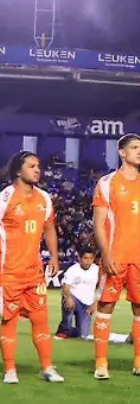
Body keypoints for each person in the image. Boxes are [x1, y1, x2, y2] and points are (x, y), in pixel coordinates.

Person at [92, 134, 140, 379]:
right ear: (122, 152)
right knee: (106, 305)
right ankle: (101, 363)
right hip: (116, 257)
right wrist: (106, 255)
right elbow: (99, 222)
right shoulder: (107, 183)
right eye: (134, 148)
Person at [0, 151, 63, 383]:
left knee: (41, 320)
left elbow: (49, 228)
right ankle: (10, 370)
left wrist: (54, 257)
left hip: (34, 272)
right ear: (18, 171)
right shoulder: (5, 198)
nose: (37, 170)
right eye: (31, 166)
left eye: (38, 166)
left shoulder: (44, 198)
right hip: (8, 273)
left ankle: (47, 367)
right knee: (9, 320)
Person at [57, 248, 99, 339]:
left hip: (87, 304)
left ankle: (67, 329)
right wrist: (68, 298)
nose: (88, 261)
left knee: (83, 335)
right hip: (74, 299)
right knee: (68, 302)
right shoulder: (73, 270)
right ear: (79, 258)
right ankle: (65, 328)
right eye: (85, 258)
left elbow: (101, 288)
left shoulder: (97, 270)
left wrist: (95, 304)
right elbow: (66, 287)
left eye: (91, 258)